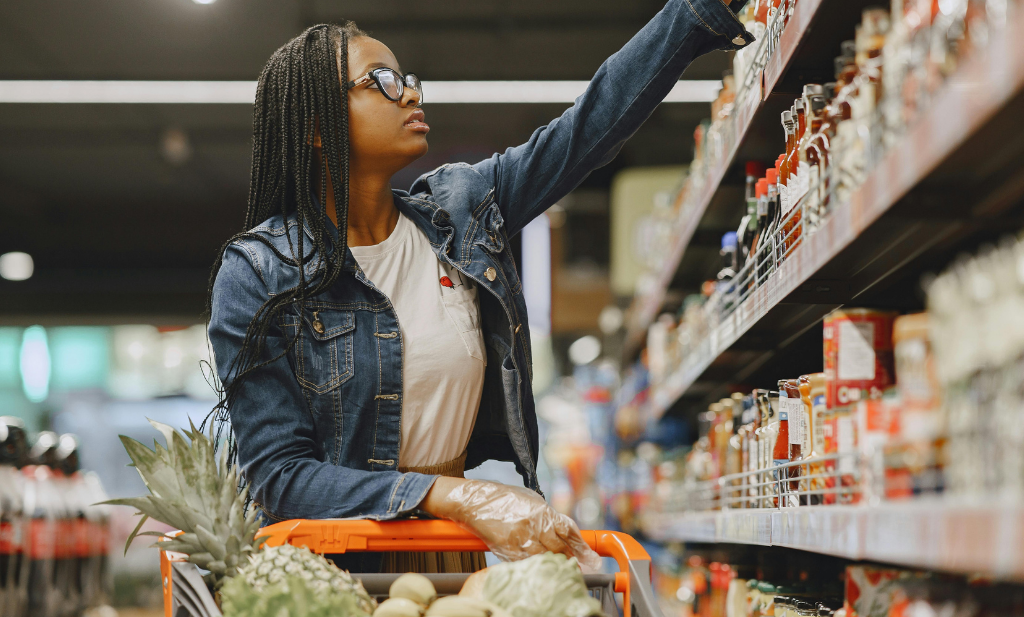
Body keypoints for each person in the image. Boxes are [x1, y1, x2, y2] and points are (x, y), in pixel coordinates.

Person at [207, 0, 751, 574]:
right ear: (317, 126)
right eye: (383, 82)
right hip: (328, 575)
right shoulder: (261, 274)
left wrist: (695, 14)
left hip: (452, 558)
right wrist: (458, 497)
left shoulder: (459, 215)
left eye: (409, 80)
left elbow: (587, 127)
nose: (412, 94)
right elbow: (281, 478)